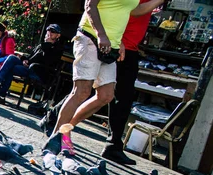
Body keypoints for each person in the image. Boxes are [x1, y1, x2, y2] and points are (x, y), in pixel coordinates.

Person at [52, 0, 144, 155]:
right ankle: (55, 139)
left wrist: (119, 41)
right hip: (91, 38)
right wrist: (101, 34)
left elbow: (134, 9)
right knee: (81, 91)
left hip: (111, 46)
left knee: (106, 95)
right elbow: (90, 5)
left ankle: (66, 129)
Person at [103, 0, 165, 164]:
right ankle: (55, 118)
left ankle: (114, 145)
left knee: (120, 97)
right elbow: (132, 10)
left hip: (129, 48)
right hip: (120, 46)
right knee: (101, 93)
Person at [0, 23, 63, 104]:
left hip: (37, 71)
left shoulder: (57, 48)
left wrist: (47, 45)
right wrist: (24, 59)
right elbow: (32, 56)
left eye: (53, 31)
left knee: (11, 68)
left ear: (58, 35)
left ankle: (1, 95)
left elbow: (46, 61)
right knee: (11, 58)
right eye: (49, 30)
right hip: (29, 66)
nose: (50, 33)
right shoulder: (42, 44)